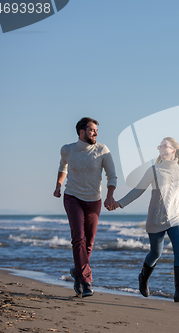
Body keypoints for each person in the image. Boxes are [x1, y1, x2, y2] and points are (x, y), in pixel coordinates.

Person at [114, 137, 179, 303]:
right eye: (159, 146)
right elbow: (138, 190)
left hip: (177, 217)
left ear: (173, 150)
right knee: (156, 253)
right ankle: (143, 278)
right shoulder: (154, 170)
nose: (161, 149)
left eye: (165, 146)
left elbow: (175, 195)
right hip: (156, 217)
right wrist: (120, 203)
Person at [53, 117, 117, 298]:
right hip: (72, 197)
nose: (96, 133)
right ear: (81, 132)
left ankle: (77, 272)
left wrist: (110, 195)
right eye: (92, 130)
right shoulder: (68, 150)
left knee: (89, 241)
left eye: (96, 130)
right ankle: (86, 281)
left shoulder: (102, 150)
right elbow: (63, 167)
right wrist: (58, 185)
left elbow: (112, 176)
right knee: (78, 238)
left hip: (94, 200)